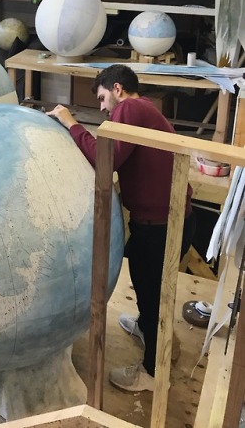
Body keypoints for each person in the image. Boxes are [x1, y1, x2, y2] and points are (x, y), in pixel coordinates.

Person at [47, 64, 195, 392]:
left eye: (102, 98)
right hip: (165, 220)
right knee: (145, 283)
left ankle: (154, 375)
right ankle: (148, 328)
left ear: (117, 89)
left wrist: (70, 122)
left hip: (163, 225)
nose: (101, 108)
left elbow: (106, 159)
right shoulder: (143, 111)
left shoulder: (130, 107)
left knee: (153, 292)